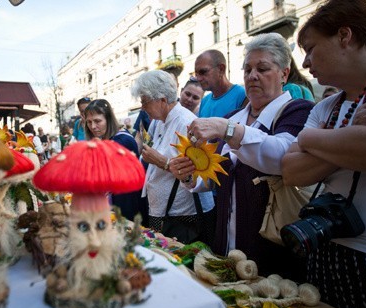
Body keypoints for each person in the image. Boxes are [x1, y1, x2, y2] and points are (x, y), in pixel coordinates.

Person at [281, 0, 366, 308]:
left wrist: (312, 140)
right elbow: (291, 172)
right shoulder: (327, 104)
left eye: (310, 49)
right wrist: (353, 135)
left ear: (344, 36)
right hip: (326, 251)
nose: (306, 62)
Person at [173, 33, 315, 280]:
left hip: (271, 241)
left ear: (284, 73)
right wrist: (189, 175)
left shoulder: (298, 111)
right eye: (247, 69)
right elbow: (217, 174)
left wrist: (227, 130)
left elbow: (281, 157)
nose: (252, 76)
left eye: (262, 68)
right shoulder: (235, 115)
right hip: (227, 238)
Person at [131, 70, 215, 245]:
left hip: (182, 217)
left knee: (181, 266)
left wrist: (162, 161)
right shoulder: (159, 121)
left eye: (145, 101)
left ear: (162, 100)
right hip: (164, 213)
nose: (143, 107)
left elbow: (199, 177)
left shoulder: (186, 122)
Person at [83, 99, 141, 221]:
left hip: (125, 207)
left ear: (108, 119)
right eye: (89, 122)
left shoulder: (123, 141)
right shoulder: (105, 140)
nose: (93, 126)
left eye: (97, 121)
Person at [195, 49, 248, 118]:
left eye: (203, 72)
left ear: (221, 69)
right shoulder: (205, 101)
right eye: (196, 74)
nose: (199, 78)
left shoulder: (242, 95)